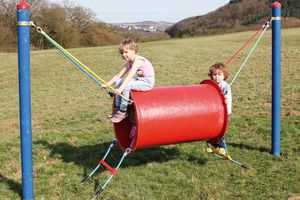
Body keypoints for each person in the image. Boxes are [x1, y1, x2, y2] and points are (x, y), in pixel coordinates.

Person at [103, 38, 155, 123]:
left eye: (126, 52)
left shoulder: (138, 61)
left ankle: (123, 110)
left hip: (147, 83)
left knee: (127, 85)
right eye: (122, 53)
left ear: (133, 50)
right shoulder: (129, 62)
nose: (123, 54)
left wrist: (120, 90)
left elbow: (129, 77)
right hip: (140, 80)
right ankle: (117, 107)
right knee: (119, 81)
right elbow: (118, 75)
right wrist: (107, 84)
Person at [206, 63, 232, 157]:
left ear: (224, 75)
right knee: (212, 128)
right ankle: (214, 146)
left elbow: (226, 100)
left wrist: (224, 99)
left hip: (225, 112)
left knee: (220, 129)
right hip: (215, 112)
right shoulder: (211, 85)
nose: (216, 77)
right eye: (214, 74)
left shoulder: (226, 86)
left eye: (219, 74)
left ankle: (222, 148)